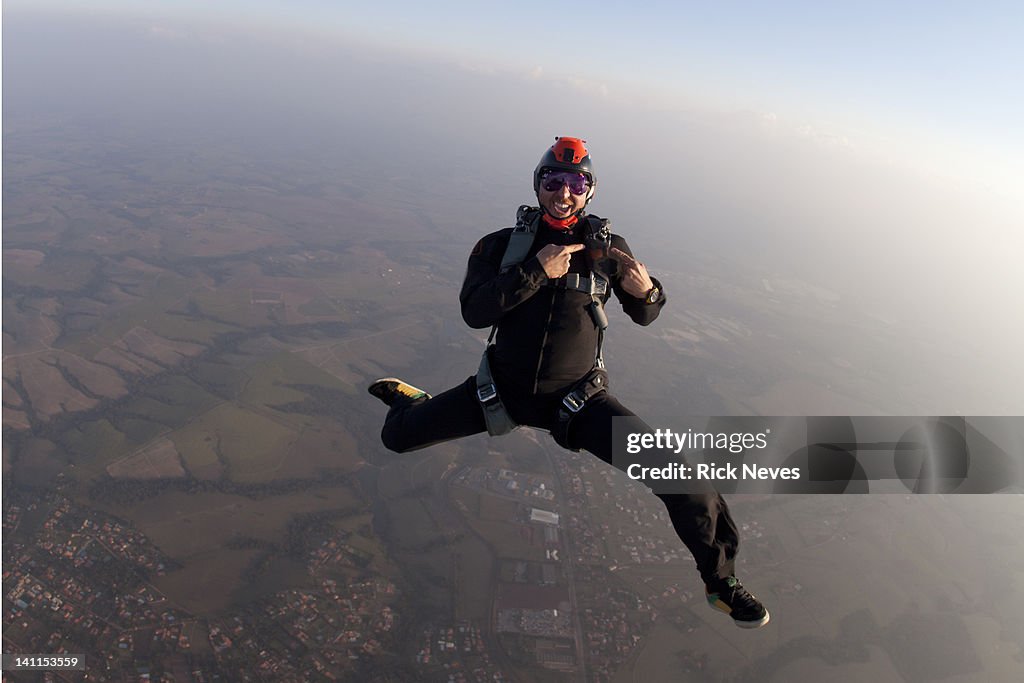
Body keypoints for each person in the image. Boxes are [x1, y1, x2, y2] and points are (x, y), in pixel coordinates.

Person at [368, 136, 769, 628]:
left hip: (578, 402)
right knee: (396, 437)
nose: (564, 193)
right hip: (500, 391)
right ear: (538, 186)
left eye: (576, 183)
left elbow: (644, 314)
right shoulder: (499, 246)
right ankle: (417, 405)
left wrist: (650, 293)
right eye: (553, 182)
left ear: (590, 190)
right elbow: (474, 311)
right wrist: (534, 271)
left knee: (685, 482)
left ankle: (720, 583)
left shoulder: (608, 249)